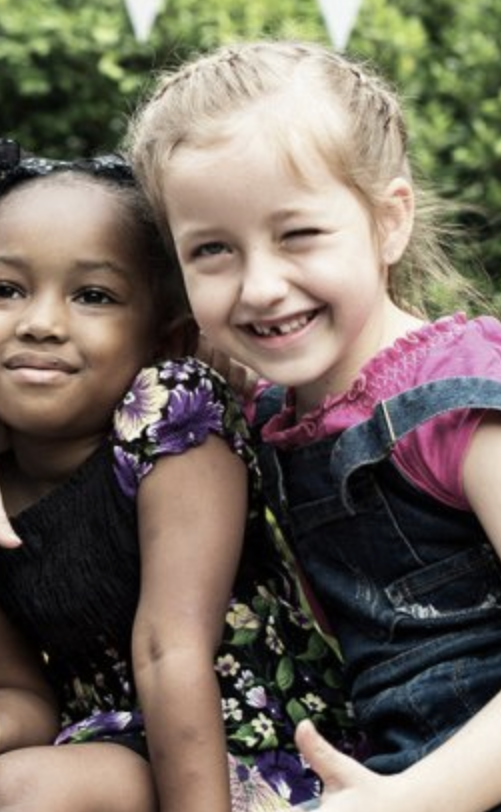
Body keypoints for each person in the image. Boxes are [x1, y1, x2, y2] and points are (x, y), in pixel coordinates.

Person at [0, 139, 354, 812]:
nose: (41, 323)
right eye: (6, 290)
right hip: (102, 746)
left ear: (165, 340)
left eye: (94, 295)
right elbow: (20, 695)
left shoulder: (172, 413)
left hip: (245, 747)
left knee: (18, 793)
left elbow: (170, 648)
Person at [123, 39, 501, 812]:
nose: (261, 286)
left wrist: (409, 800)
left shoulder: (459, 401)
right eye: (213, 250)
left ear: (389, 222)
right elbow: (64, 388)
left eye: (298, 234)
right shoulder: (268, 406)